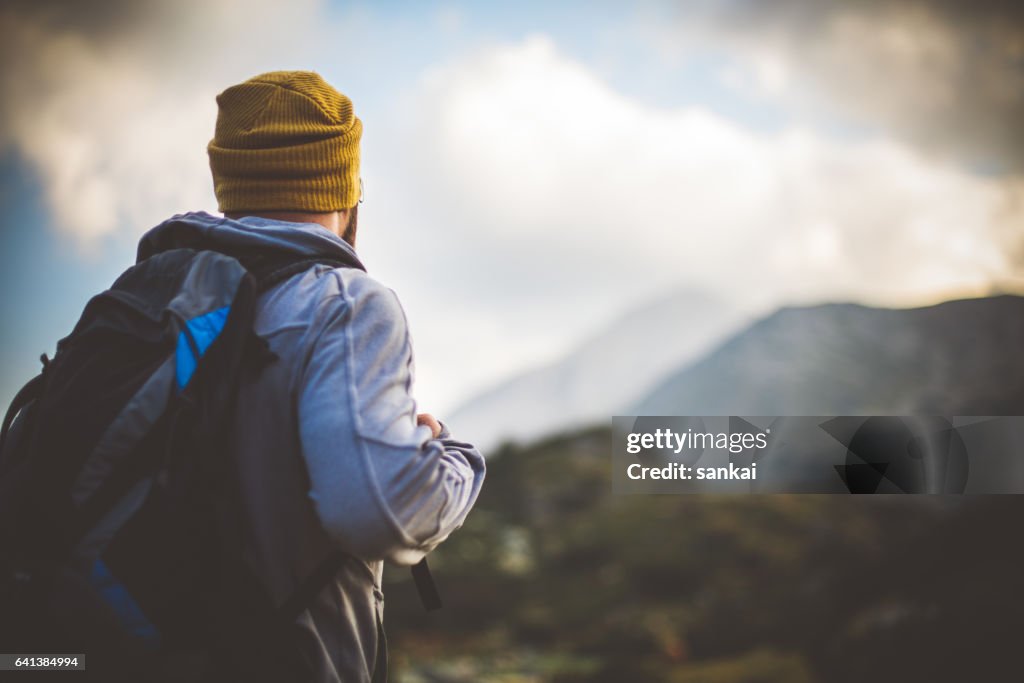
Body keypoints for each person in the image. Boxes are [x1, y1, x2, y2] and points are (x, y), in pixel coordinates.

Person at [142, 70, 486, 682]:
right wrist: (451, 456)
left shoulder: (151, 298)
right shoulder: (345, 304)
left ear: (229, 184)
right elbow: (379, 511)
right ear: (347, 192)